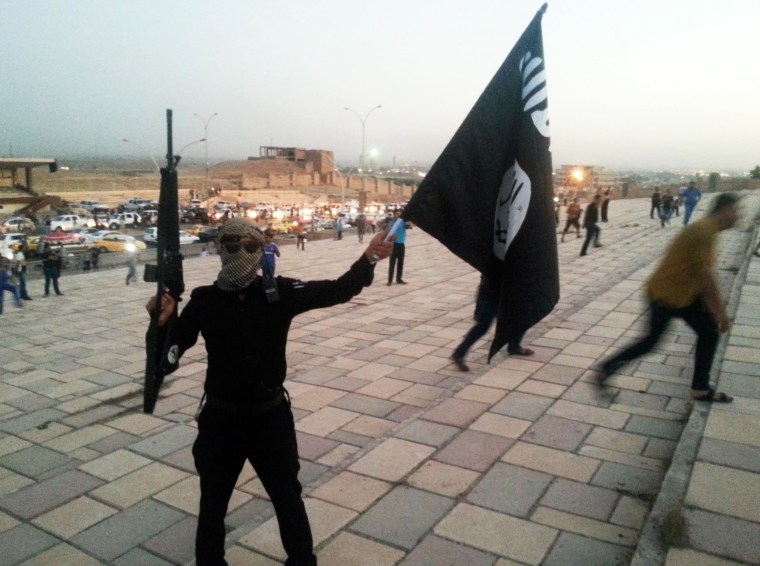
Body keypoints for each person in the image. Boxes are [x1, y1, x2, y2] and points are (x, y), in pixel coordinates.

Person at [145, 218, 393, 566]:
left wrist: (369, 257)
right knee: (212, 504)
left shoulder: (282, 293)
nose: (240, 253)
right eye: (231, 246)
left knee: (288, 498)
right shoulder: (204, 302)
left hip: (269, 419)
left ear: (261, 251)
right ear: (220, 249)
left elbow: (338, 290)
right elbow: (168, 360)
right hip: (221, 421)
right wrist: (161, 325)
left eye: (249, 246)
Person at [597, 192, 741, 403]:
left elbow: (699, 273)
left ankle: (700, 388)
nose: (739, 217)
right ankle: (605, 369)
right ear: (725, 211)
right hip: (666, 295)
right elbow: (706, 277)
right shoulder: (704, 231)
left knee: (708, 332)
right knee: (651, 342)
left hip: (683, 295)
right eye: (737, 211)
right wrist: (721, 313)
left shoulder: (707, 230)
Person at [451, 275, 534, 371]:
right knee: (483, 326)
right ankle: (459, 353)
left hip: (506, 291)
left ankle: (514, 346)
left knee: (520, 318)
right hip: (492, 292)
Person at [387, 209, 411, 285]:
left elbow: (410, 227)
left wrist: (407, 220)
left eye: (400, 214)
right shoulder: (391, 223)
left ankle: (399, 279)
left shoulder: (403, 222)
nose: (398, 215)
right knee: (392, 263)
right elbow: (388, 232)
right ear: (394, 214)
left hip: (401, 245)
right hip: (393, 245)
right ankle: (390, 280)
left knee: (400, 262)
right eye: (397, 214)